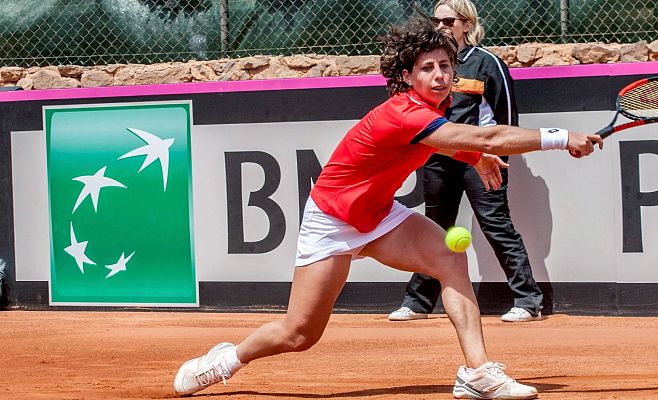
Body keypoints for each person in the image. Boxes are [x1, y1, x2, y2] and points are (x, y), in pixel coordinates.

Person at [173, 16, 602, 400]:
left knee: (451, 258)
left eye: (445, 66)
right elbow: (484, 137)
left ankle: (477, 374)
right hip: (333, 220)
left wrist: (475, 158)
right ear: (407, 76)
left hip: (379, 215)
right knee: (299, 333)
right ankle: (227, 361)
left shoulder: (441, 105)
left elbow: (451, 144)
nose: (439, 75)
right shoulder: (404, 113)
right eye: (427, 68)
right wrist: (562, 137)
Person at [389, 0, 545, 324]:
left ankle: (529, 300)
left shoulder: (487, 63)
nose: (441, 26)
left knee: (495, 223)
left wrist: (497, 154)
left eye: (448, 21)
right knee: (435, 228)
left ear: (466, 23)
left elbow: (507, 118)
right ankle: (418, 302)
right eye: (437, 21)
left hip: (482, 159)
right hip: (439, 157)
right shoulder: (430, 65)